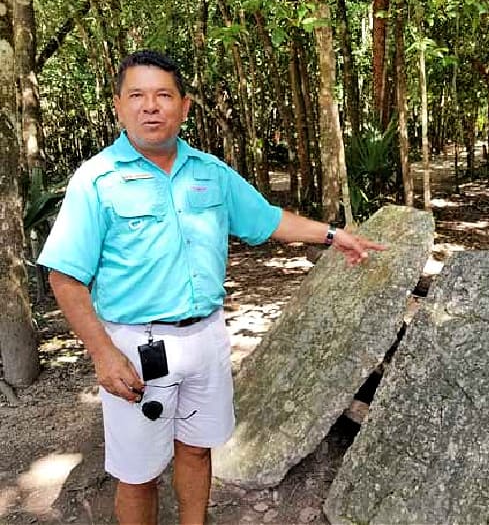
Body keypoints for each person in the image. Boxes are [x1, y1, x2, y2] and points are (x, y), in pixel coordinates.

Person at [38, 49, 384, 525]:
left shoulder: (210, 172)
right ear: (118, 106)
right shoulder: (97, 181)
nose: (150, 106)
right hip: (135, 345)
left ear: (185, 105)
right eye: (136, 95)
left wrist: (331, 234)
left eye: (163, 95)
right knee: (137, 474)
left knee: (198, 452)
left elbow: (265, 219)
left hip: (206, 338)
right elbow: (65, 275)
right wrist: (102, 353)